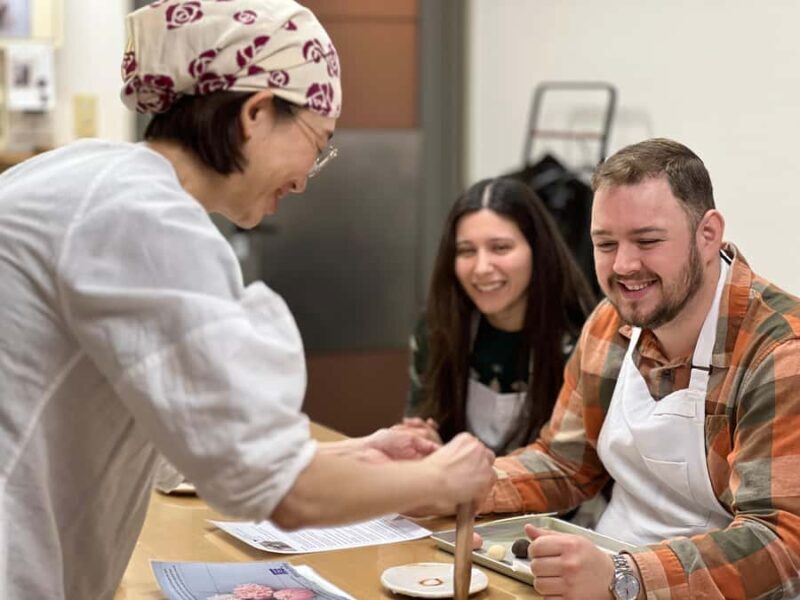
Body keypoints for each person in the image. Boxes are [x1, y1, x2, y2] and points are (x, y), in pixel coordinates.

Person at [0, 2, 495, 598]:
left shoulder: (96, 180)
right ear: (256, 114)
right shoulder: (141, 216)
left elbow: (193, 440)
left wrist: (357, 455)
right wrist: (441, 478)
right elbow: (276, 491)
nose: (305, 180)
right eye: (317, 143)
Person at [480, 138, 800, 599]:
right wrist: (459, 486)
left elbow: (781, 544)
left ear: (708, 234)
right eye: (605, 244)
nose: (624, 265)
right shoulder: (610, 323)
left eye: (647, 241)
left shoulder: (779, 352)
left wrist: (625, 576)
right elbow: (565, 463)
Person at [401, 177, 596, 456]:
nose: (481, 268)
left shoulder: (582, 343)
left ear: (537, 251)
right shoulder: (437, 328)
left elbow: (579, 467)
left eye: (500, 248)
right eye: (466, 251)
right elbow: (422, 414)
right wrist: (424, 440)